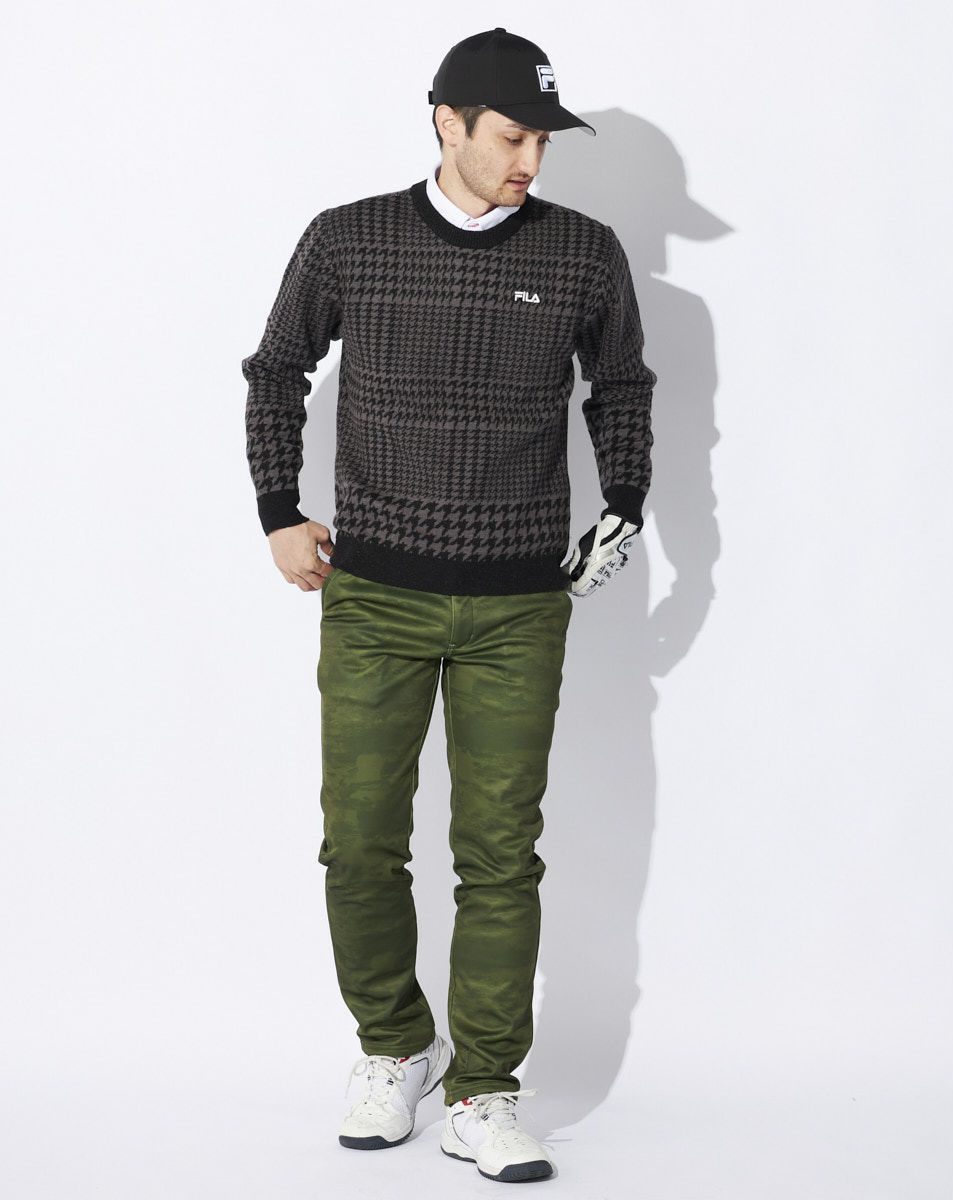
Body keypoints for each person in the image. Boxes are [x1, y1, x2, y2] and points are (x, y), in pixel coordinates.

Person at [241, 27, 656, 1185]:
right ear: (448, 124)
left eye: (543, 141)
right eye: (513, 136)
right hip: (375, 594)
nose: (531, 160)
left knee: (500, 853)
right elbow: (276, 370)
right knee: (359, 841)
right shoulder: (349, 239)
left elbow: (620, 384)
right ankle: (394, 1046)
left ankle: (484, 1088)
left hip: (521, 604)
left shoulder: (583, 252)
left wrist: (626, 499)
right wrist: (279, 509)